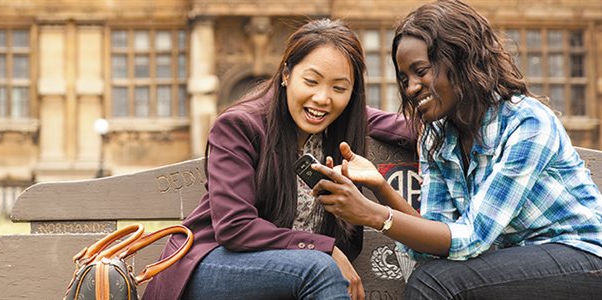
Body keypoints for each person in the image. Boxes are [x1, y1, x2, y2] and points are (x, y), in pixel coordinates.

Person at [308, 1, 602, 299]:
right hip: (518, 262)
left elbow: (471, 238)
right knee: (434, 274)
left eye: (421, 70)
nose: (411, 87)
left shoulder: (526, 122)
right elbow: (432, 241)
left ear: (460, 59)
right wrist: (378, 185)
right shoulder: (437, 136)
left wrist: (372, 214)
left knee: (436, 283)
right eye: (404, 78)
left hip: (589, 258)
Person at [141, 19, 415, 300]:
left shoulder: (341, 122)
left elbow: (411, 128)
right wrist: (323, 247)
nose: (322, 98)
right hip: (211, 265)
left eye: (339, 88)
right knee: (319, 269)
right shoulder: (239, 126)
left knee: (317, 270)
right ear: (286, 74)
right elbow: (236, 228)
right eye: (311, 81)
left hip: (293, 274)